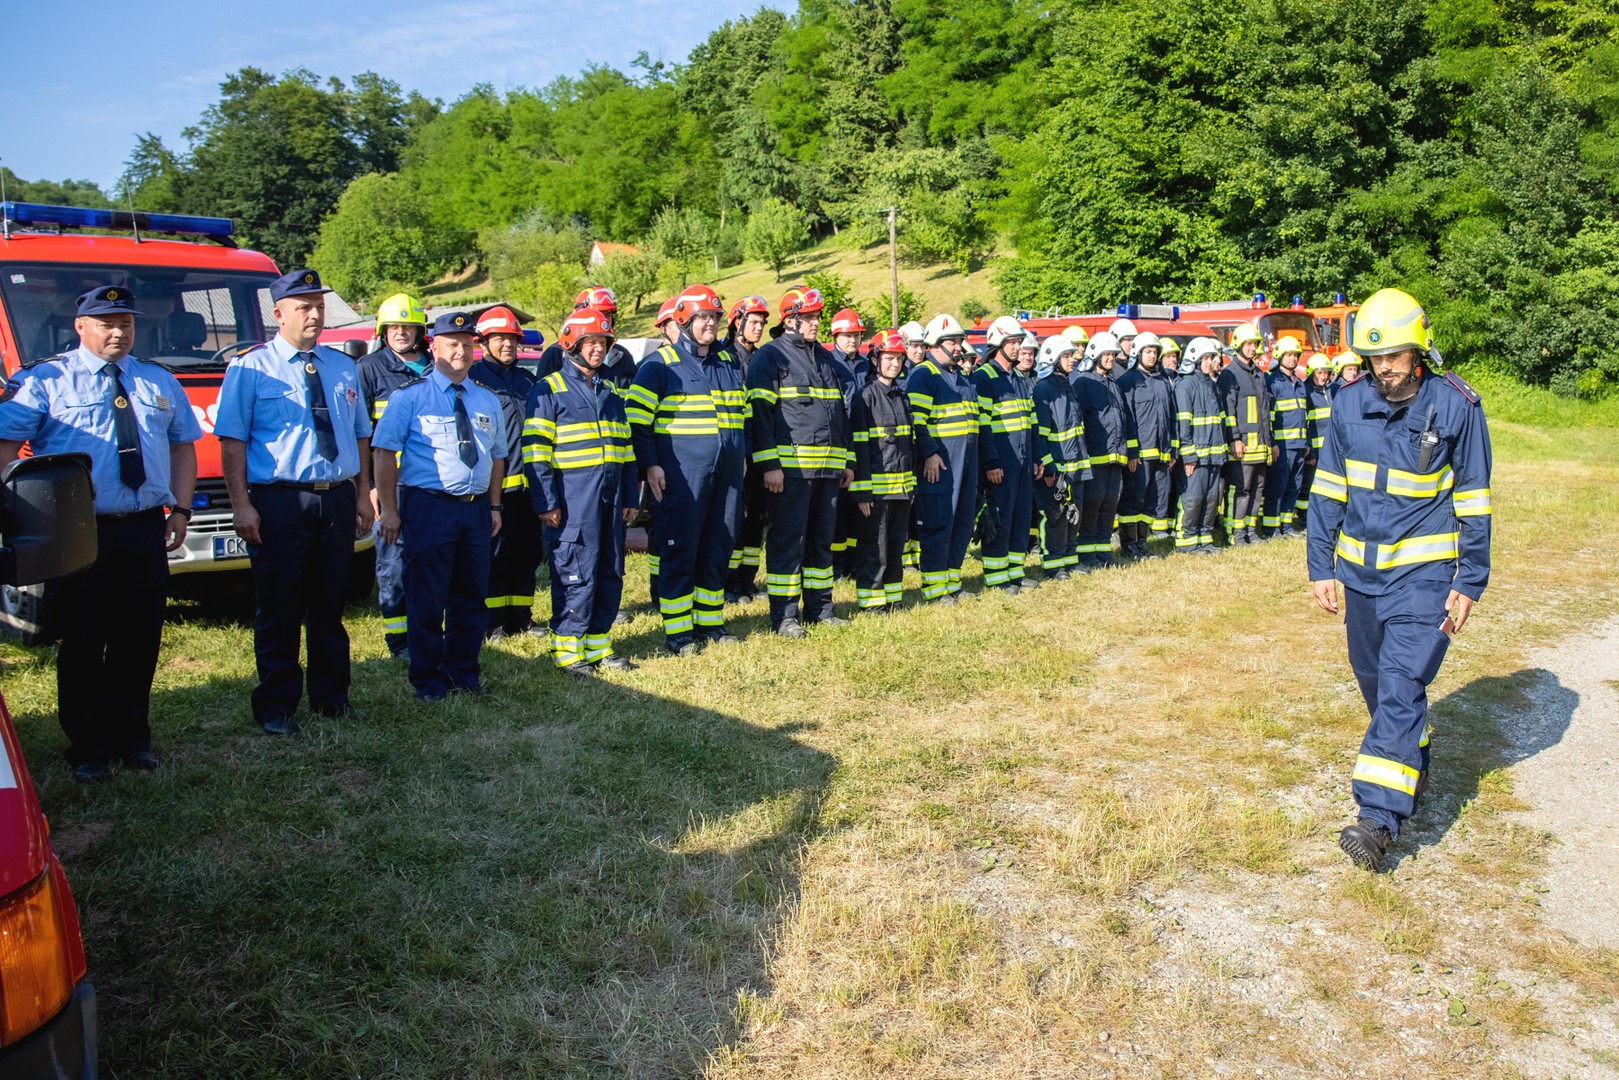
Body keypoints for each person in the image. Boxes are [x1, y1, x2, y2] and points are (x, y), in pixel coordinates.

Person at [1308, 288, 1493, 871]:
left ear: (1419, 352)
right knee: (1379, 688)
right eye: (1374, 357)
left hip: (1425, 580)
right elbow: (1328, 491)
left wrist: (1470, 580)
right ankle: (1412, 750)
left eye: (1394, 356)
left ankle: (1377, 821)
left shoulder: (1457, 406)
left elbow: (1474, 499)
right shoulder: (1347, 404)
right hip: (1361, 579)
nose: (1383, 367)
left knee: (1399, 681)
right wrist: (1320, 566)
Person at [0, 285, 202, 780]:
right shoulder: (45, 381)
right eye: (107, 323)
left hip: (143, 529)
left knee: (140, 638)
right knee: (83, 640)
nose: (118, 332)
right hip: (78, 532)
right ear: (81, 327)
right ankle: (88, 747)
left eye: (126, 323)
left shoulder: (157, 380)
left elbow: (183, 447)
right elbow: (5, 448)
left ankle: (133, 740)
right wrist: (25, 516)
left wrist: (180, 509)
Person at [215, 269, 373, 735]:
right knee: (281, 607)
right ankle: (277, 706)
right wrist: (240, 504)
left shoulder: (341, 366)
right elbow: (232, 440)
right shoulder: (251, 368)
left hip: (336, 498)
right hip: (280, 501)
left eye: (319, 306)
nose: (314, 315)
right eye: (304, 307)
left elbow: (359, 435)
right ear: (278, 314)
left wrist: (363, 493)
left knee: (330, 605)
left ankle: (332, 698)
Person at [371, 312, 505, 701]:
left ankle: (463, 672)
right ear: (433, 347)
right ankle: (427, 679)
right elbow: (384, 453)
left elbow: (497, 456)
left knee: (471, 597)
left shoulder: (486, 398)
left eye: (466, 344)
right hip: (429, 507)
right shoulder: (410, 397)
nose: (460, 351)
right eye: (452, 344)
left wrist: (495, 506)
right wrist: (390, 509)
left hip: (475, 508)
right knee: (427, 597)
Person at [624, 285, 747, 655]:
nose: (710, 324)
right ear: (683, 321)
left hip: (727, 475)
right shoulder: (658, 366)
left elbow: (743, 414)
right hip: (681, 475)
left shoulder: (727, 363)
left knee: (719, 545)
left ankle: (710, 623)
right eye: (703, 318)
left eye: (714, 317)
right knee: (681, 548)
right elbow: (636, 422)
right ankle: (679, 633)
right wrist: (649, 464)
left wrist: (742, 454)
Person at [524, 307, 637, 674]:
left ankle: (598, 645)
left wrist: (629, 498)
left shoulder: (610, 392)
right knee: (575, 572)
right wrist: (546, 502)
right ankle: (569, 650)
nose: (598, 348)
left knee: (609, 570)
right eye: (590, 342)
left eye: (603, 342)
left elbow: (626, 450)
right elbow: (535, 452)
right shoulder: (549, 389)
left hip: (610, 499)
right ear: (571, 343)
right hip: (572, 501)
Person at [746, 287, 854, 637]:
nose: (816, 322)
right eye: (808, 317)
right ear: (789, 320)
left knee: (821, 541)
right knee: (788, 542)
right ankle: (785, 616)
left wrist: (847, 460)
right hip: (790, 471)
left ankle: (821, 608)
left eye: (817, 316)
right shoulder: (770, 357)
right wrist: (769, 465)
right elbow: (759, 416)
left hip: (828, 469)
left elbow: (840, 414)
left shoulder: (825, 358)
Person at [357, 293, 430, 660]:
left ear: (419, 331)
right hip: (391, 485)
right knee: (393, 562)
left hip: (430, 484)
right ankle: (399, 639)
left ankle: (427, 630)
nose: (401, 333)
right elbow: (360, 434)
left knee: (429, 559)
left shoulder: (435, 366)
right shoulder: (368, 369)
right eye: (393, 327)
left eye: (407, 327)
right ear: (382, 332)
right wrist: (370, 487)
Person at [906, 313, 991, 603]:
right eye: (952, 342)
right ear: (934, 344)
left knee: (962, 522)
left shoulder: (962, 378)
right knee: (939, 523)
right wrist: (929, 453)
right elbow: (916, 421)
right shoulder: (923, 375)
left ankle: (952, 583)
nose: (958, 346)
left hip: (965, 463)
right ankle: (934, 589)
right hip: (941, 464)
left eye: (959, 341)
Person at [469, 305, 540, 638]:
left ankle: (521, 617)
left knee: (526, 554)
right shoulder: (473, 380)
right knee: (494, 555)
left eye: (512, 338)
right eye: (499, 338)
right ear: (484, 342)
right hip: (493, 488)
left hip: (530, 486)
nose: (508, 344)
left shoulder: (528, 380)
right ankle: (493, 621)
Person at [849, 330, 915, 612]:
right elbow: (859, 449)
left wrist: (911, 487)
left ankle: (893, 599)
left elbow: (909, 447)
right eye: (888, 358)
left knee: (896, 547)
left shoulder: (902, 397)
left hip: (902, 491)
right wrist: (862, 492)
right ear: (875, 360)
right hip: (875, 492)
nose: (894, 364)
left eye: (899, 358)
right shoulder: (864, 398)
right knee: (874, 548)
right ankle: (872, 603)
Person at [974, 316, 1040, 593]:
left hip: (1023, 461)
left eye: (1018, 342)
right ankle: (996, 576)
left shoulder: (1021, 379)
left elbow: (1032, 422)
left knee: (1020, 517)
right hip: (1001, 462)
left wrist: (1037, 457)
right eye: (1012, 342)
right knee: (1000, 518)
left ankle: (1015, 571)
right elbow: (983, 425)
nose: (1017, 347)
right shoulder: (984, 378)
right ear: (997, 344)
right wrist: (990, 462)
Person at [724, 295, 772, 602]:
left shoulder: (762, 358)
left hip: (762, 450)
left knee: (756, 519)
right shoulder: (725, 358)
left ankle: (747, 581)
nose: (758, 328)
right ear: (737, 323)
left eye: (762, 323)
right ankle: (729, 583)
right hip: (738, 451)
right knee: (734, 520)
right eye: (753, 322)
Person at [1071, 331, 1134, 569]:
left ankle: (1103, 551)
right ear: (1095, 355)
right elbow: (1078, 419)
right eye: (1106, 354)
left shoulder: (1113, 384)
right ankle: (1087, 554)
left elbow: (1122, 419)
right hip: (1095, 457)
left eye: (1113, 354)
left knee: (1109, 505)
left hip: (1115, 458)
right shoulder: (1083, 383)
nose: (1110, 358)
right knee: (1092, 505)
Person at [1031, 334, 1091, 579]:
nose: (1072, 360)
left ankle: (1069, 559)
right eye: (1066, 356)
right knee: (1055, 515)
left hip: (1076, 465)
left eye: (1071, 356)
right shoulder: (1044, 390)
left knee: (1073, 513)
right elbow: (1040, 435)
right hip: (1057, 467)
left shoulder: (1067, 385)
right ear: (1052, 359)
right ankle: (1053, 564)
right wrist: (1049, 467)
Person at [1115, 329, 1175, 557]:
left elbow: (1171, 416)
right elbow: (1126, 420)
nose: (1152, 355)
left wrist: (1172, 448)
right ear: (1138, 354)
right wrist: (1131, 451)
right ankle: (1129, 545)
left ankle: (1141, 542)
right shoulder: (1127, 382)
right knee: (1133, 499)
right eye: (1148, 351)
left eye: (1155, 352)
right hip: (1139, 455)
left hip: (1161, 454)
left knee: (1153, 500)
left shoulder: (1162, 381)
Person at [1216, 322, 1275, 545]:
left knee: (1257, 490)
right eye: (1248, 344)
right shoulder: (1229, 374)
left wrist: (1270, 443)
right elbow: (1228, 410)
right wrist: (1234, 439)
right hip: (1242, 447)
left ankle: (1250, 530)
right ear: (1238, 345)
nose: (1252, 348)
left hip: (1260, 447)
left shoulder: (1259, 374)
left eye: (1255, 344)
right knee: (1240, 490)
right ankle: (1235, 533)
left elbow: (1265, 413)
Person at [1173, 337, 1228, 555]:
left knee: (1211, 499)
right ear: (1194, 359)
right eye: (1205, 358)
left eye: (1210, 358)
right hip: (1195, 457)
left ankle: (1204, 538)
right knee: (1193, 499)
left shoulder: (1212, 386)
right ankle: (1186, 540)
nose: (1209, 362)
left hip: (1214, 455)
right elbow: (1183, 424)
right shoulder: (1185, 385)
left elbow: (1220, 421)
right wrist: (1188, 456)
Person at [826, 308, 868, 579]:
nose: (853, 340)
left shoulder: (866, 365)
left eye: (857, 335)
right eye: (848, 335)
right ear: (836, 336)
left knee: (858, 507)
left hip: (863, 442)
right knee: (837, 508)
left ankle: (854, 563)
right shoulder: (829, 363)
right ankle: (837, 566)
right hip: (839, 440)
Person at [539, 287, 638, 391]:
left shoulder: (622, 355)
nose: (603, 320)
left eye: (608, 315)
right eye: (597, 313)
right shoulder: (555, 354)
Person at [1263, 335, 1309, 537]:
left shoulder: (1299, 383)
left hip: (1299, 445)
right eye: (1289, 355)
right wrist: (1272, 442)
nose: (1293, 358)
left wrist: (1306, 443)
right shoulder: (1272, 381)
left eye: (1295, 355)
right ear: (1279, 356)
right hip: (1282, 446)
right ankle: (1271, 528)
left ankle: (1286, 526)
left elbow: (1305, 417)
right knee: (1277, 488)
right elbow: (1268, 416)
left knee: (1294, 487)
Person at [1298, 351, 1334, 531]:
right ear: (1311, 373)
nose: (1323, 376)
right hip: (1313, 450)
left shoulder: (1330, 391)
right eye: (1319, 373)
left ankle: (1320, 518)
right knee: (1308, 486)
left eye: (1326, 373)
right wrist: (1309, 450)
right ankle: (1304, 519)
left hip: (1328, 450)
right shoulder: (1307, 392)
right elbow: (1304, 423)